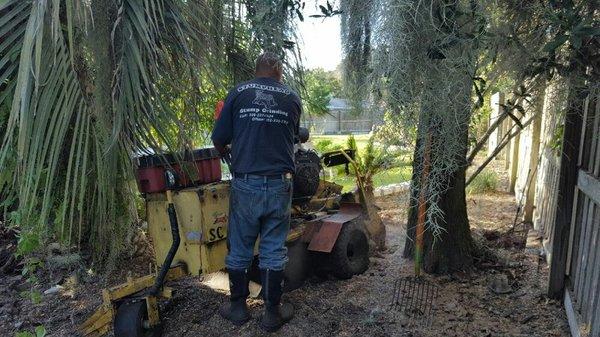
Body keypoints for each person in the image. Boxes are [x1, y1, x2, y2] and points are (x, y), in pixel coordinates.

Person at [211, 52, 301, 332]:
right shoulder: (291, 98)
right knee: (273, 248)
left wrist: (224, 150)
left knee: (240, 247)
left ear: (256, 70)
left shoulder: (239, 92)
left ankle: (238, 308)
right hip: (278, 183)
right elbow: (294, 136)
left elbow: (219, 137)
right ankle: (272, 314)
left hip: (246, 183)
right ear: (279, 72)